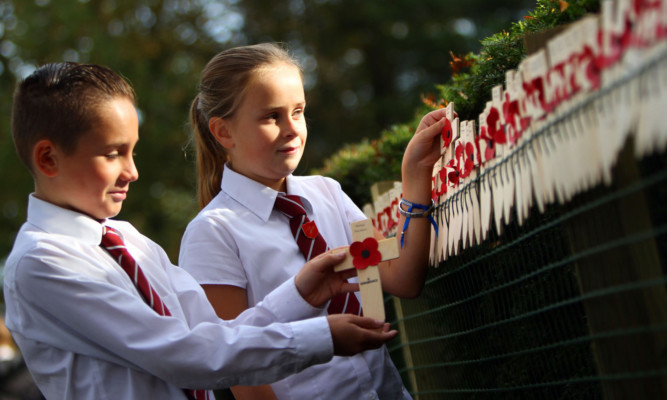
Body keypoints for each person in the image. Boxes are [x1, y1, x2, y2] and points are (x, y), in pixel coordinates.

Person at [2, 62, 399, 400]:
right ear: (49, 158)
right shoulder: (41, 263)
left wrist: (299, 295)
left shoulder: (128, 240)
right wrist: (321, 337)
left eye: (132, 151)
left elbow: (214, 334)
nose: (132, 172)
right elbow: (183, 355)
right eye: (112, 153)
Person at [180, 42, 447, 399]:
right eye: (271, 116)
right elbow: (240, 370)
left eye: (298, 111)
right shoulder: (212, 233)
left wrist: (414, 174)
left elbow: (401, 278)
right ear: (223, 132)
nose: (291, 128)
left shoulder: (328, 194)